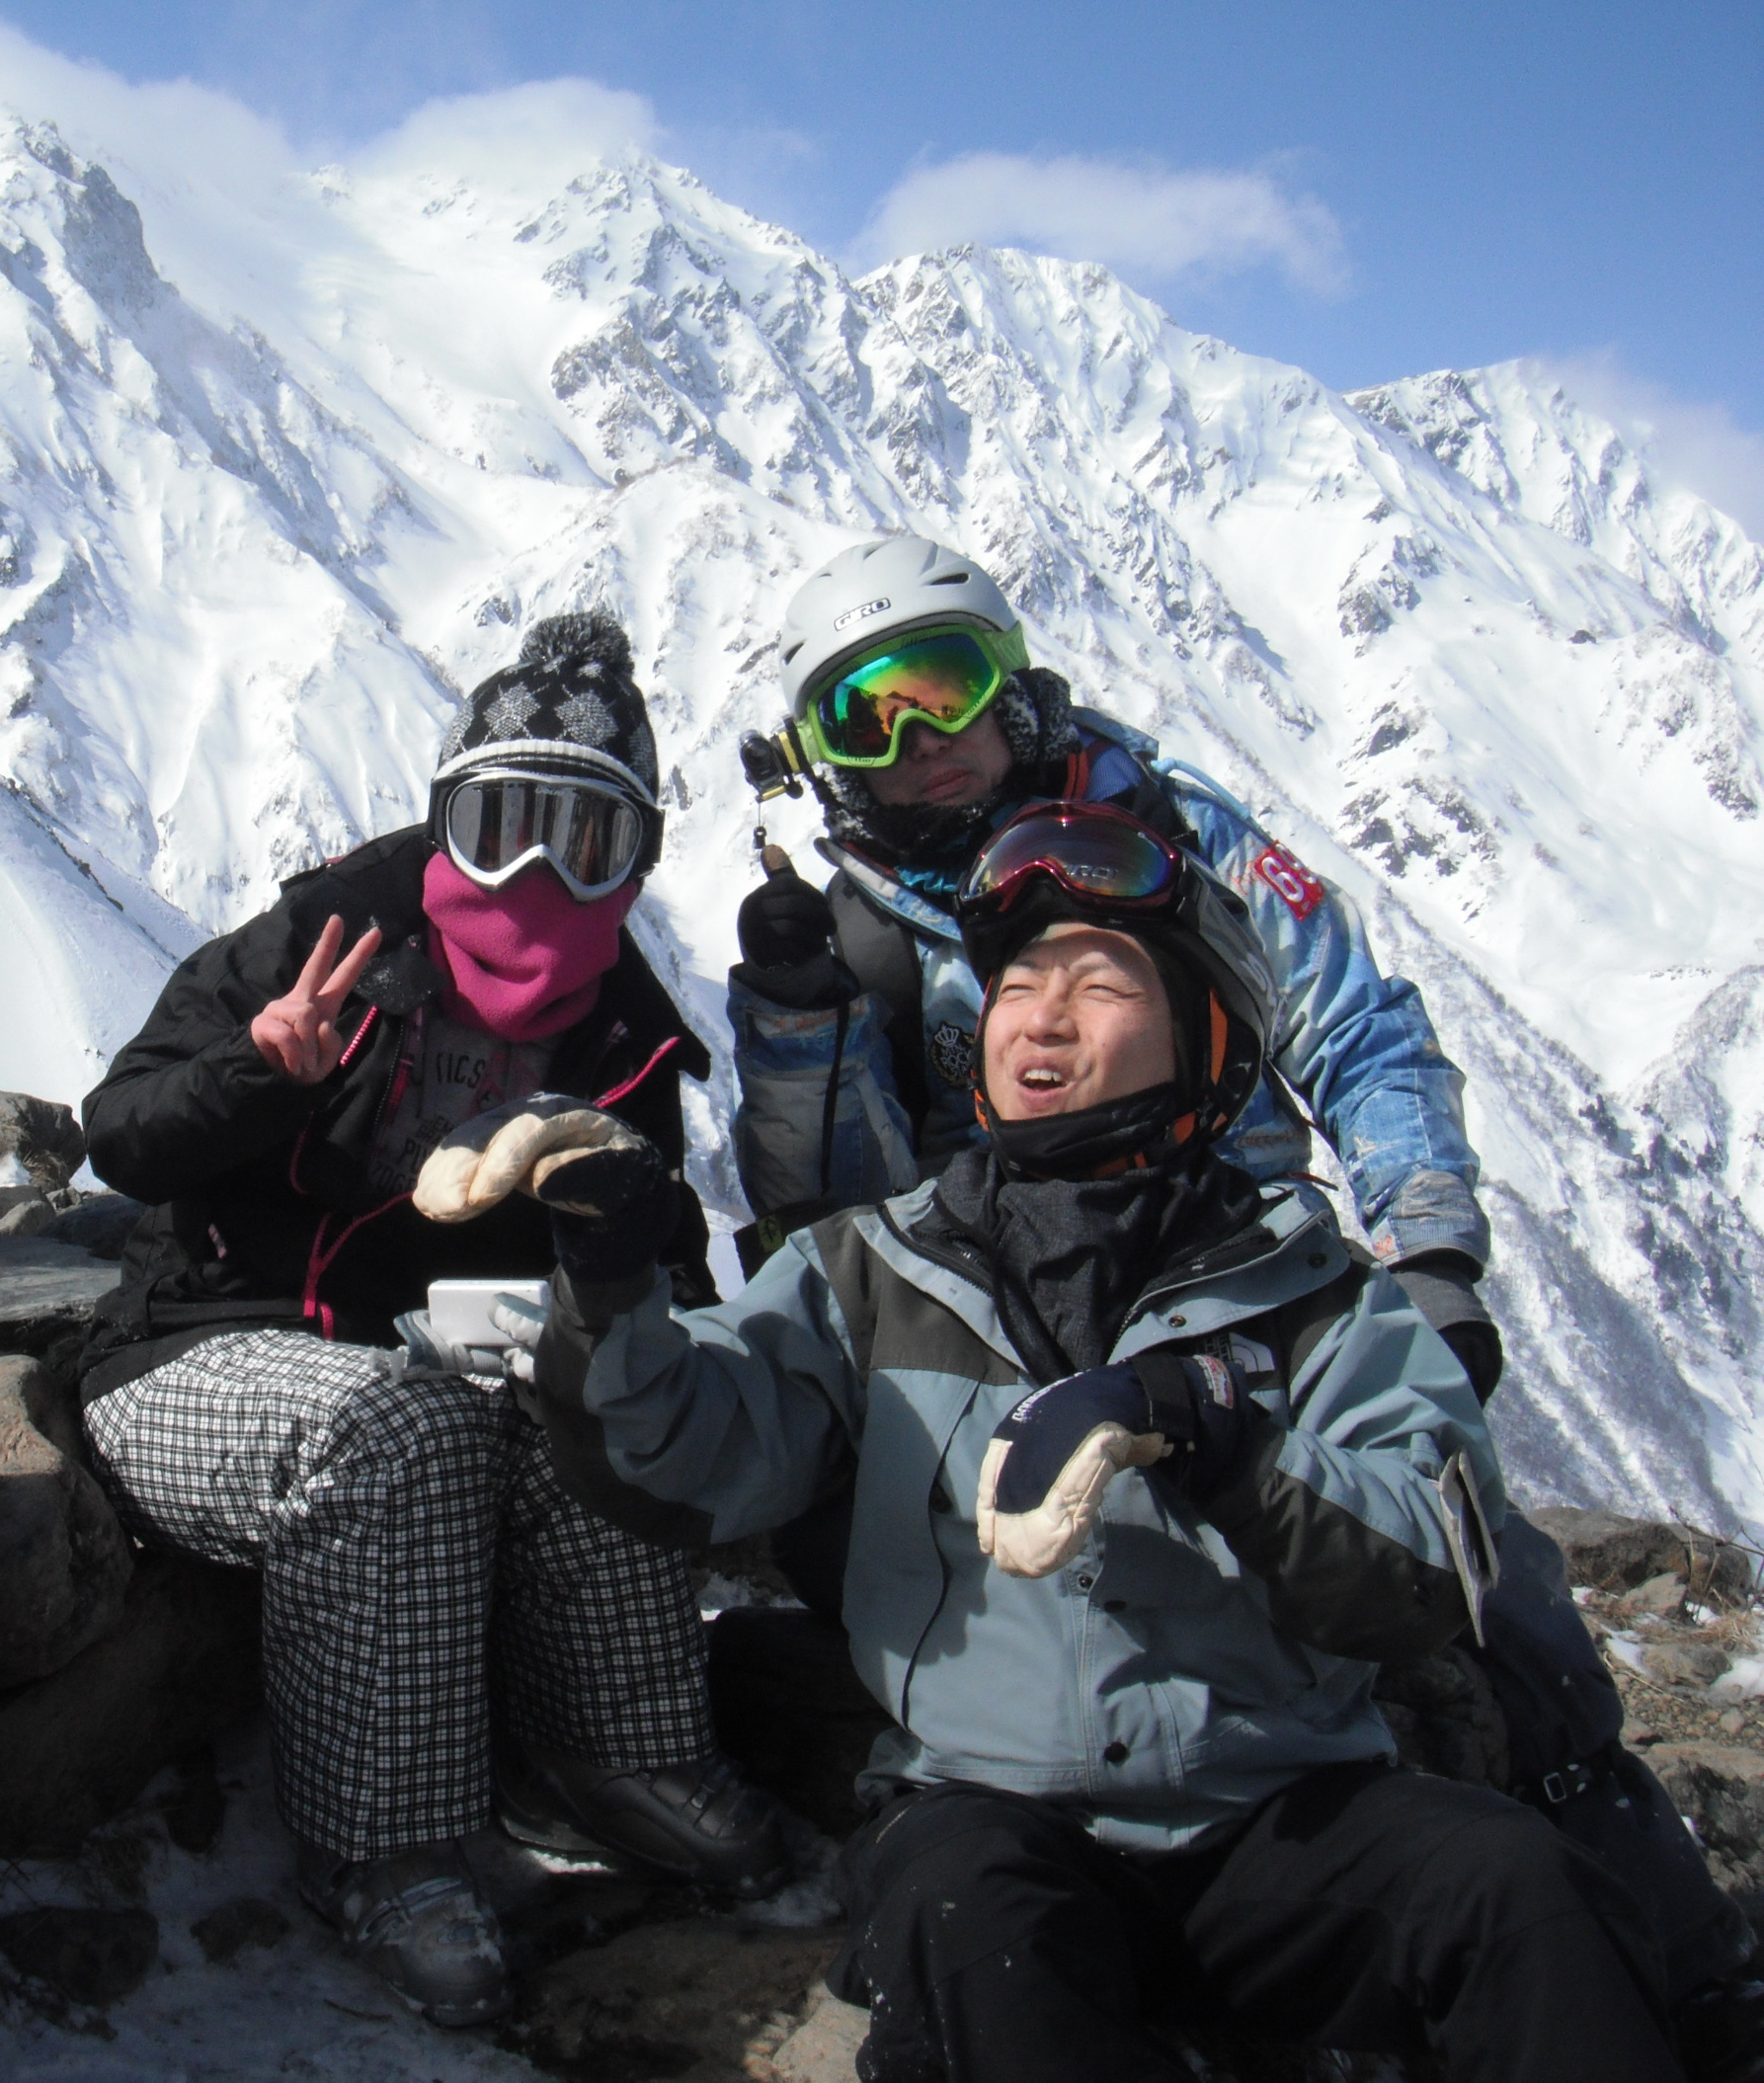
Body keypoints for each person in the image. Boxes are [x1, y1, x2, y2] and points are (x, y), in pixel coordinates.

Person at [730, 532, 1760, 2047]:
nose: (919, 741)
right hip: (990, 1311)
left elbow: (1356, 1030)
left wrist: (1429, 1254)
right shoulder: (859, 926)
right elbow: (825, 1207)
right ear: (820, 758)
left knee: (1498, 1605)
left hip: (1240, 1274)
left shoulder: (1171, 832)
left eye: (941, 685)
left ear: (1012, 684)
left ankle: (1684, 1968)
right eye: (863, 717)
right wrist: (795, 1029)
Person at [488, 801, 1684, 2080]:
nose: (1040, 1019)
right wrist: (608, 1282)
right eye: (1015, 987)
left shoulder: (1313, 1293)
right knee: (976, 1922)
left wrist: (1221, 1439)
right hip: (990, 1810)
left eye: (1099, 987)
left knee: (1517, 1892)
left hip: (1283, 1812)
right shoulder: (875, 1271)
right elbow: (684, 1455)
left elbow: (1423, 1570)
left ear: (1206, 1038)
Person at [78, 611, 785, 2028]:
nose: (534, 875)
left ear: (636, 861)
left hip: (443, 1370)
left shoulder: (621, 1035)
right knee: (398, 1433)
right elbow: (121, 1136)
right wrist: (259, 1072)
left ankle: (612, 1752)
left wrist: (615, 1267)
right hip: (196, 1345)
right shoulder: (329, 939)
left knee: (610, 1385)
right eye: (500, 824)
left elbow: (673, 1279)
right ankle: (386, 1848)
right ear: (442, 820)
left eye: (584, 840)